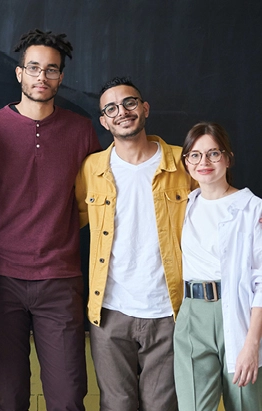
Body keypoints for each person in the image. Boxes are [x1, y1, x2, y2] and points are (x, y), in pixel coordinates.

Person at [0, 29, 101, 410]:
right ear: (19, 74)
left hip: (60, 281)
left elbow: (95, 198)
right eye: (34, 68)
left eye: (51, 70)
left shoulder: (81, 131)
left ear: (61, 77)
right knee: (9, 398)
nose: (41, 77)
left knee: (67, 397)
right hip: (1, 281)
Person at [75, 76, 194, 410]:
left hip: (168, 310)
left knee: (163, 405)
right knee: (116, 405)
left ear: (144, 108)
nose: (121, 112)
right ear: (103, 120)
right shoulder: (92, 168)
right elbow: (67, 221)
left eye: (129, 103)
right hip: (110, 312)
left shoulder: (182, 163)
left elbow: (216, 210)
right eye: (110, 108)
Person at [173, 122, 262, 410]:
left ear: (228, 157)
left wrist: (251, 344)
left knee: (245, 404)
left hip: (237, 316)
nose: (204, 162)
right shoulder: (185, 204)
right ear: (186, 161)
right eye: (195, 155)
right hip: (192, 315)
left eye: (213, 153)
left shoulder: (253, 209)